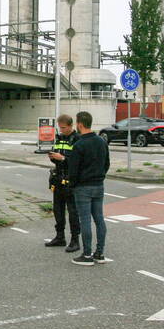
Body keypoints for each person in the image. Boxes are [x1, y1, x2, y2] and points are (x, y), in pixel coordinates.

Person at [65, 111, 110, 265]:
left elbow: (73, 170)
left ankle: (87, 254)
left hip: (83, 188)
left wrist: (73, 185)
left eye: (77, 123)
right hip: (99, 186)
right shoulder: (102, 141)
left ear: (80, 124)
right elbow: (107, 164)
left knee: (85, 220)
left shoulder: (79, 145)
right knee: (99, 219)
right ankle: (100, 253)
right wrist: (100, 176)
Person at [45, 114, 81, 252]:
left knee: (73, 212)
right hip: (58, 178)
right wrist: (53, 157)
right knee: (58, 210)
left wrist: (63, 158)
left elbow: (77, 161)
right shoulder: (59, 138)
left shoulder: (77, 139)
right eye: (60, 128)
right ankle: (60, 237)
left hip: (70, 180)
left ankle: (75, 240)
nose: (61, 130)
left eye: (64, 128)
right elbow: (58, 157)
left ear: (71, 126)